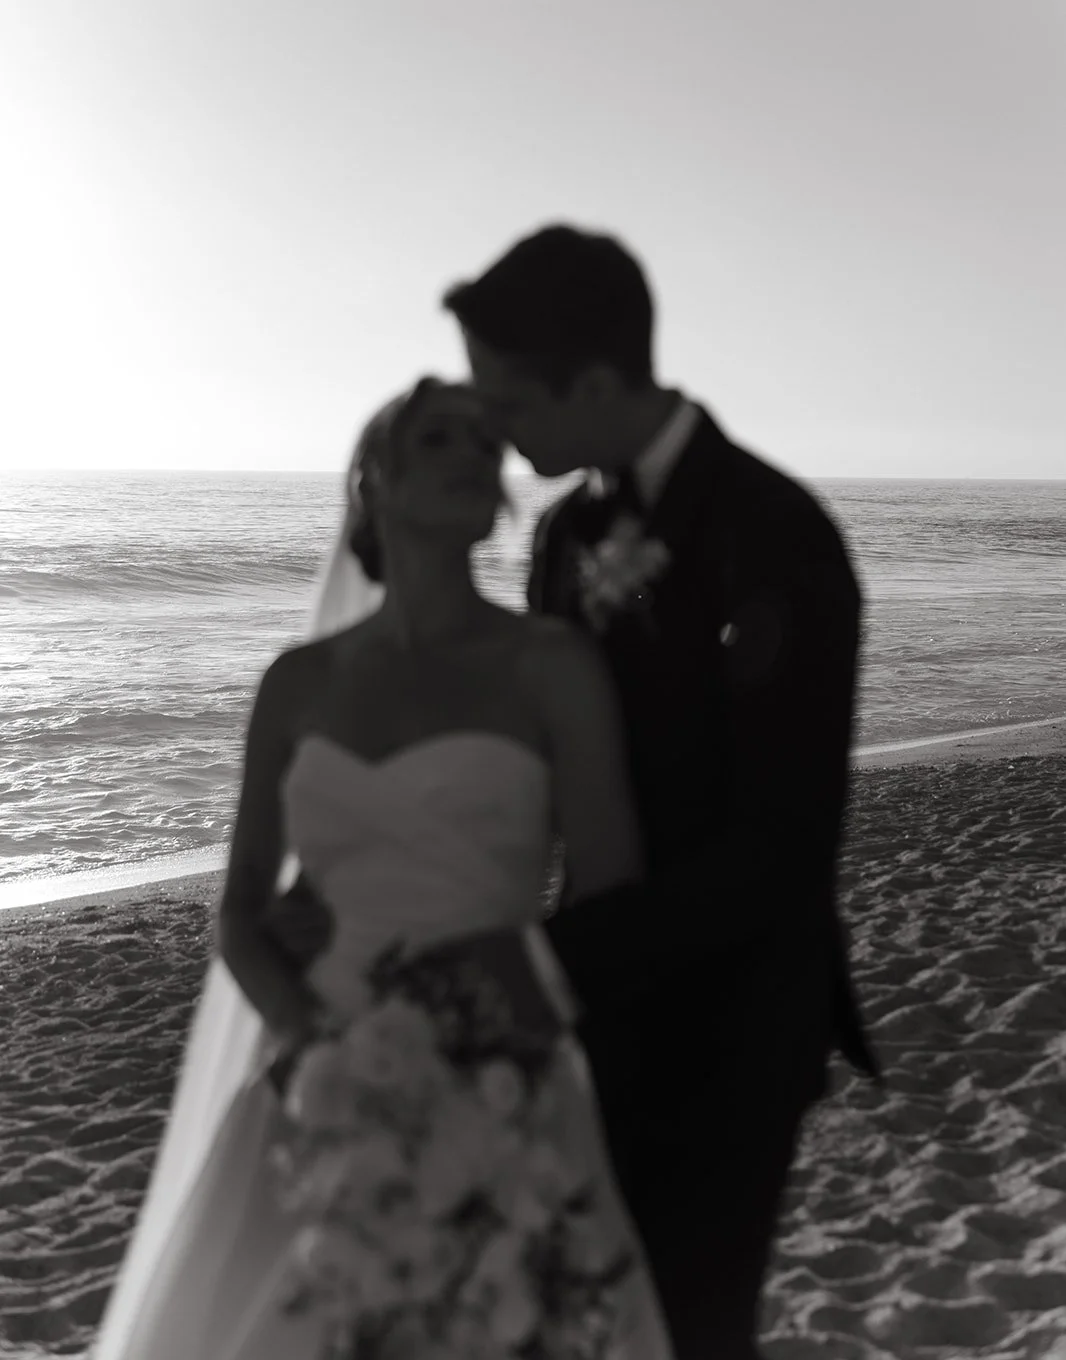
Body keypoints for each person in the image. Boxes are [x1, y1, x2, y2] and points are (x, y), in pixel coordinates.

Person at [93, 378, 674, 1359]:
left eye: (479, 442)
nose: (466, 452)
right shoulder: (297, 684)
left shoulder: (550, 664)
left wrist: (507, 1000)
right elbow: (238, 915)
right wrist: (307, 1031)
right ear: (376, 483)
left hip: (501, 1062)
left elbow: (610, 893)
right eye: (434, 436)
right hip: (319, 1070)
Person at [440, 224, 884, 1360]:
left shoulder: (774, 535)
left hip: (730, 1022)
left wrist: (548, 961)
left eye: (508, 402)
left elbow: (777, 851)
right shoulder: (561, 534)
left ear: (592, 382)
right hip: (594, 1010)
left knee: (688, 1328)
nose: (491, 427)